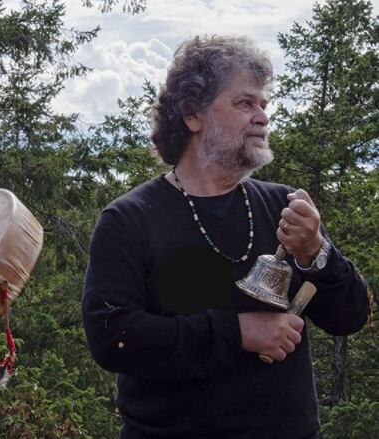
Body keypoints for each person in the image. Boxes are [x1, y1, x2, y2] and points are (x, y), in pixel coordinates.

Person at [82, 35, 370, 439]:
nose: (262, 117)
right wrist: (239, 333)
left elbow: (350, 317)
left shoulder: (283, 207)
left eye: (263, 105)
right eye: (244, 103)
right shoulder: (130, 219)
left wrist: (315, 253)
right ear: (192, 115)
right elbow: (113, 337)